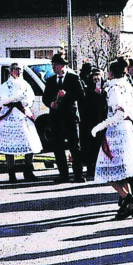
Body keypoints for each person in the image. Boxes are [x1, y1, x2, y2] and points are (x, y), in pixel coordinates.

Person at [90, 57, 133, 220]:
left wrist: (100, 126)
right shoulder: (126, 85)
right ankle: (128, 204)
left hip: (117, 132)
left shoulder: (115, 88)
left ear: (111, 73)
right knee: (120, 172)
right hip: (127, 131)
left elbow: (119, 113)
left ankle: (129, 199)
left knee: (106, 170)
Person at [0, 62, 42, 183]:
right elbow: (3, 99)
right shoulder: (5, 85)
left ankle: (28, 170)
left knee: (29, 143)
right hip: (9, 116)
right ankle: (11, 172)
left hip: (22, 115)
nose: (18, 72)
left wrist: (25, 102)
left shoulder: (25, 84)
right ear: (10, 71)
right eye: (15, 69)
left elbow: (30, 97)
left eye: (20, 70)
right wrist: (15, 98)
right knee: (9, 146)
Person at [42, 53, 87, 182]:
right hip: (56, 118)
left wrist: (66, 95)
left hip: (70, 117)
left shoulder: (73, 78)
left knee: (75, 146)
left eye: (56, 65)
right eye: (53, 65)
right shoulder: (51, 80)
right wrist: (50, 103)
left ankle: (78, 174)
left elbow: (80, 94)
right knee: (58, 146)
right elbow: (46, 97)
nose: (54, 67)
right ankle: (63, 174)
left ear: (62, 66)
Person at [79, 66, 109, 174]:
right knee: (90, 146)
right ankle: (91, 167)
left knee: (101, 144)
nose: (97, 82)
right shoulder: (87, 91)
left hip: (101, 120)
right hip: (90, 121)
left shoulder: (105, 92)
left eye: (98, 79)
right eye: (94, 80)